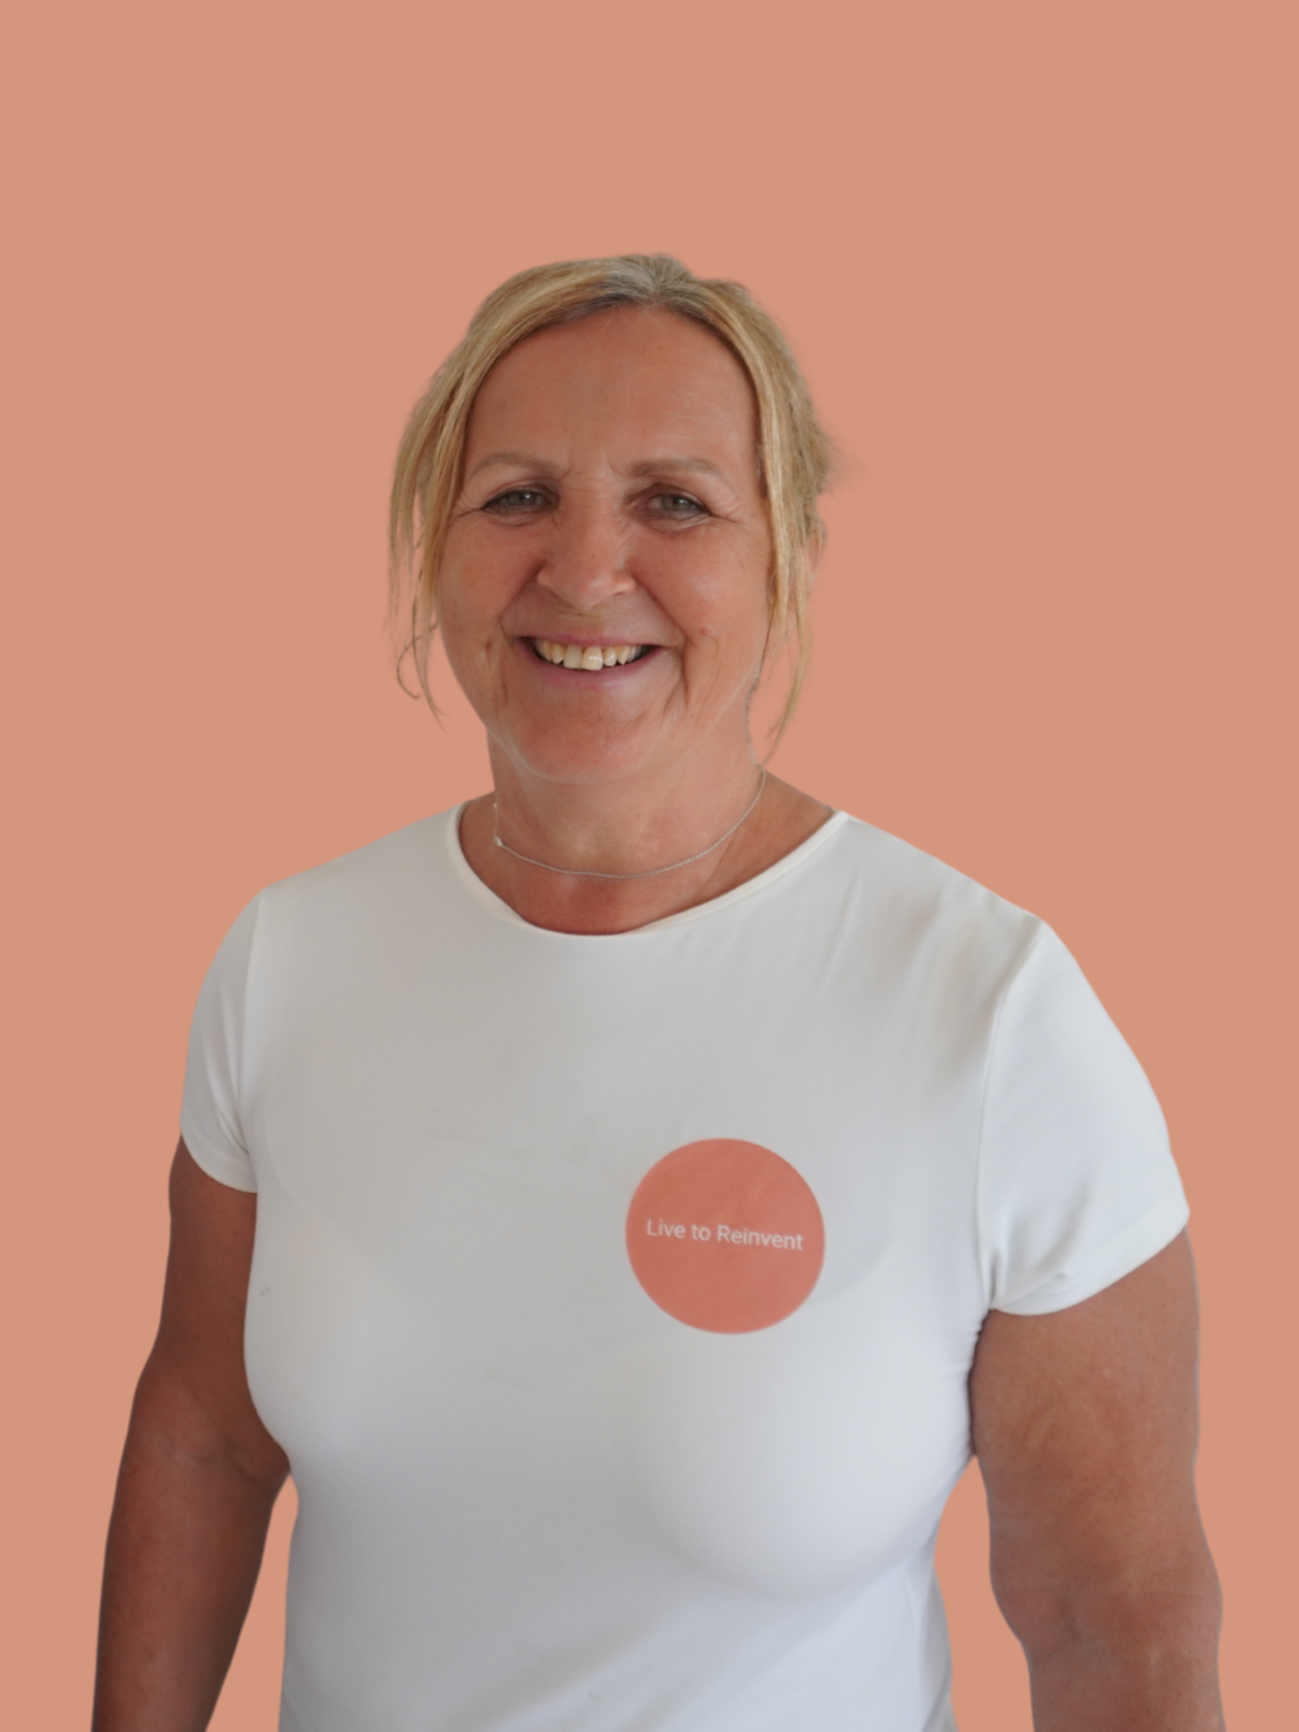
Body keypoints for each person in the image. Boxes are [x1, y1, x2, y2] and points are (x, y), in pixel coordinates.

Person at [93, 255, 1223, 1732]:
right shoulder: (292, 956)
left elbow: (1113, 1620)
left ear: (783, 555)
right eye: (514, 495)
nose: (579, 569)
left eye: (673, 502)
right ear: (435, 543)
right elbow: (204, 1441)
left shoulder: (988, 1013)